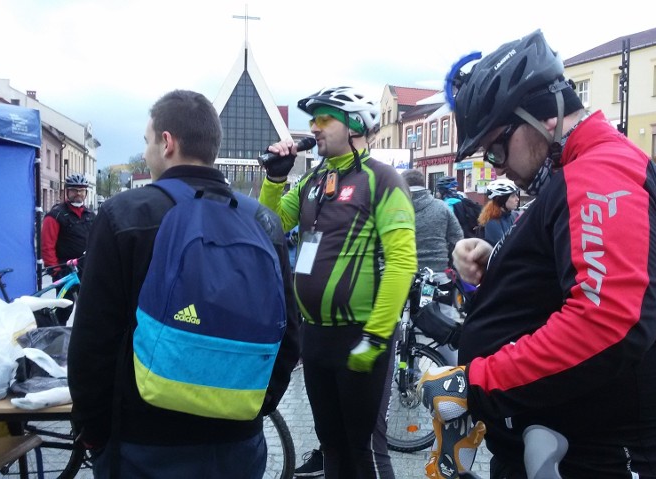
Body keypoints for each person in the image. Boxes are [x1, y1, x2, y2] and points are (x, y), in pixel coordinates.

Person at [419, 30, 656, 478]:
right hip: (557, 448)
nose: (497, 166)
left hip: (600, 457)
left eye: (497, 148)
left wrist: (478, 384)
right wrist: (502, 267)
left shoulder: (599, 172)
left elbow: (607, 322)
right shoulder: (572, 173)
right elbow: (570, 276)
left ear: (537, 118)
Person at [67, 90, 301, 478]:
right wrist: (257, 406)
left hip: (142, 441)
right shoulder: (262, 222)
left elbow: (94, 339)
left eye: (146, 142)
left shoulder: (124, 215)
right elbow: (289, 334)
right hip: (238, 444)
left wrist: (92, 429)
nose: (145, 153)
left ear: (167, 142)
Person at [258, 86, 416, 479]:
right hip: (315, 335)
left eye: (324, 118)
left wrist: (377, 336)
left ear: (354, 126)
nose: (314, 127)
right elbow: (269, 227)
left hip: (362, 334)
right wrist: (275, 181)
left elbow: (402, 261)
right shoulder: (314, 179)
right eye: (313, 120)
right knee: (330, 443)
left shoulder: (382, 179)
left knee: (364, 449)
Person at [401, 169, 463, 272]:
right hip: (438, 275)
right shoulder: (442, 207)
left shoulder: (393, 209)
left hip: (402, 275)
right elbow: (457, 239)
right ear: (423, 184)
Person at [41, 173, 94, 278]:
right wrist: (55, 270)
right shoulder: (56, 215)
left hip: (87, 269)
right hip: (66, 270)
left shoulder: (90, 215)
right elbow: (47, 246)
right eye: (74, 190)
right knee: (66, 296)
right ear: (67, 192)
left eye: (82, 190)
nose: (78, 194)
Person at [477, 178, 520, 246]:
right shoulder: (492, 222)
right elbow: (502, 247)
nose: (517, 199)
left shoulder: (513, 215)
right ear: (501, 200)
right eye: (513, 196)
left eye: (516, 195)